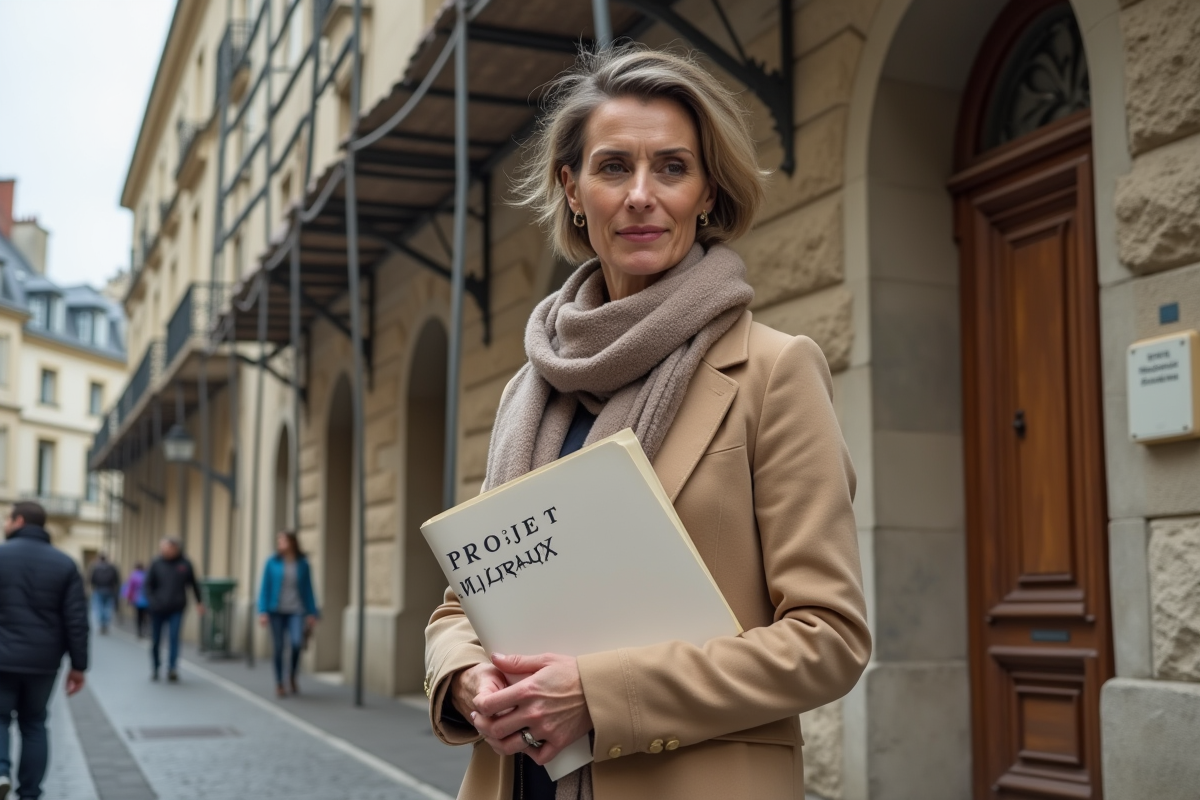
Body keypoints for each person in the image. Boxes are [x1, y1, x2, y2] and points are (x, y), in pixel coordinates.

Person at [424, 46, 871, 800]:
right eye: (611, 167)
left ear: (705, 192)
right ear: (572, 189)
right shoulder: (526, 393)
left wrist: (599, 694)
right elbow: (462, 603)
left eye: (671, 167)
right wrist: (464, 677)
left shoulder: (772, 371)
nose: (640, 195)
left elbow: (828, 641)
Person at [0, 501, 88, 800]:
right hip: (43, 661)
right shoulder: (64, 563)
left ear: (19, 520)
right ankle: (30, 793)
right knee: (34, 723)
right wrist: (79, 666)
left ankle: (0, 772)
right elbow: (76, 620)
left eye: (8, 519)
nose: (5, 524)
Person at [257, 531, 319, 698]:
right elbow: (265, 588)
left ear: (292, 542)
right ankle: (279, 682)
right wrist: (262, 611)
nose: (280, 544)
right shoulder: (271, 562)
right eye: (279, 541)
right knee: (278, 648)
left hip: (296, 610)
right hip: (276, 611)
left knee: (297, 643)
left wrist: (313, 612)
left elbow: (308, 589)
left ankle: (291, 675)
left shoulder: (302, 564)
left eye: (283, 541)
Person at [144, 538, 202, 683]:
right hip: (158, 608)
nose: (165, 551)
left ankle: (172, 668)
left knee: (174, 638)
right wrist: (152, 602)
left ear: (176, 548)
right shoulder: (156, 563)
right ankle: (156, 666)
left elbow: (193, 584)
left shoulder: (185, 564)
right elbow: (147, 586)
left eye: (168, 548)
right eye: (163, 548)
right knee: (156, 639)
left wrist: (199, 602)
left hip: (176, 608)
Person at [87, 552, 120, 635]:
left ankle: (102, 624)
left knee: (99, 608)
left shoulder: (95, 567)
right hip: (109, 590)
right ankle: (105, 624)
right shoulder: (112, 567)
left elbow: (91, 579)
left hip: (98, 589)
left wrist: (92, 587)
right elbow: (116, 580)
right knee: (107, 608)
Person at [122, 562, 149, 638]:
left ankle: (139, 631)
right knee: (146, 615)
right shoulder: (146, 575)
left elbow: (130, 588)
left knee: (139, 616)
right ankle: (145, 629)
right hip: (147, 599)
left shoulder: (134, 575)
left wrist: (128, 598)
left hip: (138, 599)